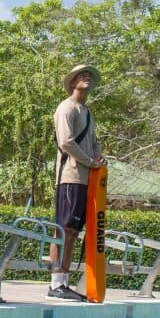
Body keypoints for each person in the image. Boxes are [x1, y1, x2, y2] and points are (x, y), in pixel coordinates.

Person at [49, 63, 105, 301]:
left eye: (89, 76)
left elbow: (93, 142)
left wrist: (99, 159)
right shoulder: (66, 107)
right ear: (73, 82)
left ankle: (64, 282)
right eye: (82, 75)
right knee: (64, 230)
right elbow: (66, 142)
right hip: (70, 177)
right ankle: (55, 283)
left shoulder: (87, 111)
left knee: (74, 232)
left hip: (86, 179)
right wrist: (90, 161)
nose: (87, 78)